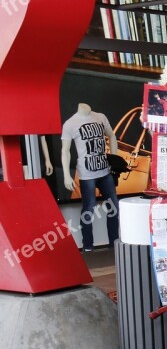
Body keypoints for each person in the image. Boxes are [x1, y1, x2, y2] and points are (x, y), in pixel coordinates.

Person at [61, 103, 119, 252]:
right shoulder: (70, 123)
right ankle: (88, 246)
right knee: (88, 209)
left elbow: (112, 135)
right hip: (87, 175)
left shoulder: (100, 117)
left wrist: (115, 160)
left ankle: (114, 242)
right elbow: (65, 151)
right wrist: (67, 176)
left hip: (105, 171)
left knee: (114, 207)